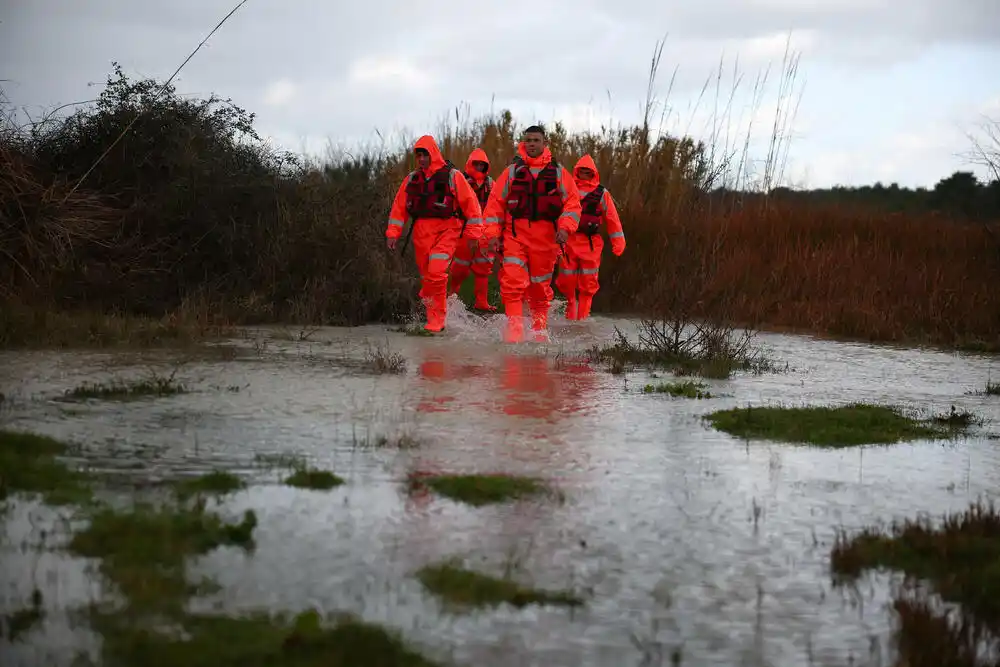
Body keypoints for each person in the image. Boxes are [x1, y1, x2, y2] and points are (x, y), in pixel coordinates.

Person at [482, 125, 582, 342]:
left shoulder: (558, 173)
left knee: (539, 289)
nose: (531, 144)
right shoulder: (512, 172)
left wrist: (565, 228)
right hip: (515, 236)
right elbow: (495, 205)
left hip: (546, 240)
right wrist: (492, 235)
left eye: (536, 140)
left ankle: (539, 333)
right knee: (512, 283)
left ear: (545, 143)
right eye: (528, 140)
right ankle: (515, 333)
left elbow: (573, 204)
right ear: (523, 143)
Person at [386, 135, 484, 332]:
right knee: (428, 280)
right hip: (421, 234)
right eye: (419, 155)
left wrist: (474, 234)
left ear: (433, 154)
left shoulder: (453, 176)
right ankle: (435, 317)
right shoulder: (412, 179)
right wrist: (393, 233)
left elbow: (471, 206)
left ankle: (436, 321)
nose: (422, 159)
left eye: (425, 154)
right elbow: (399, 208)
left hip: (448, 230)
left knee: (437, 272)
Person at [554, 154, 626, 320]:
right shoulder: (567, 189)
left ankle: (583, 318)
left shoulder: (602, 193)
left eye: (588, 172)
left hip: (591, 244)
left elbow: (612, 219)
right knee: (566, 280)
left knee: (588, 283)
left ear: (593, 173)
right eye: (582, 171)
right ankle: (571, 310)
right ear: (577, 171)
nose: (585, 174)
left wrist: (618, 243)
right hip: (568, 241)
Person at [448, 148, 497, 311]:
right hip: (464, 231)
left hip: (484, 233)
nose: (479, 167)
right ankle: (451, 297)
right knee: (460, 268)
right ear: (470, 164)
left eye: (482, 165)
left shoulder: (491, 184)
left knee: (484, 267)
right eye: (476, 164)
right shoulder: (461, 180)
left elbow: (498, 205)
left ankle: (481, 302)